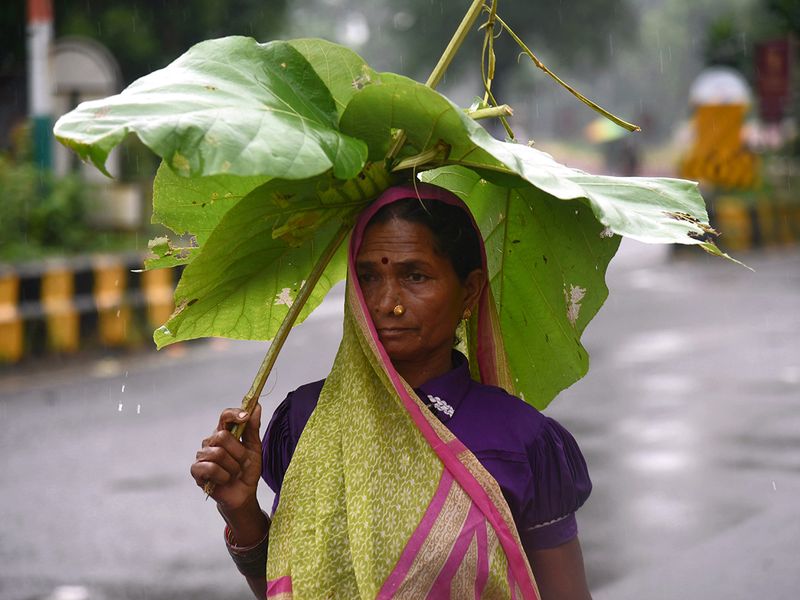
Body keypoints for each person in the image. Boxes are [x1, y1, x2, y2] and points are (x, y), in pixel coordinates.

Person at [191, 183, 593, 599]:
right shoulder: (307, 421)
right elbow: (291, 587)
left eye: (415, 276)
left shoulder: (521, 440)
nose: (387, 303)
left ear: (469, 290)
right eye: (368, 277)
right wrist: (240, 512)